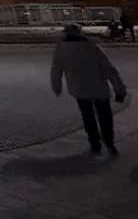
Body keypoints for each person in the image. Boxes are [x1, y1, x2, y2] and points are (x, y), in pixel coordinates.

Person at [50, 24, 127, 156]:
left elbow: (56, 69)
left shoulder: (61, 49)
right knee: (105, 117)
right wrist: (119, 90)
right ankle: (109, 143)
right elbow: (109, 69)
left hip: (78, 88)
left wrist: (57, 87)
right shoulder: (91, 47)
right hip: (99, 87)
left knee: (88, 117)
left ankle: (94, 143)